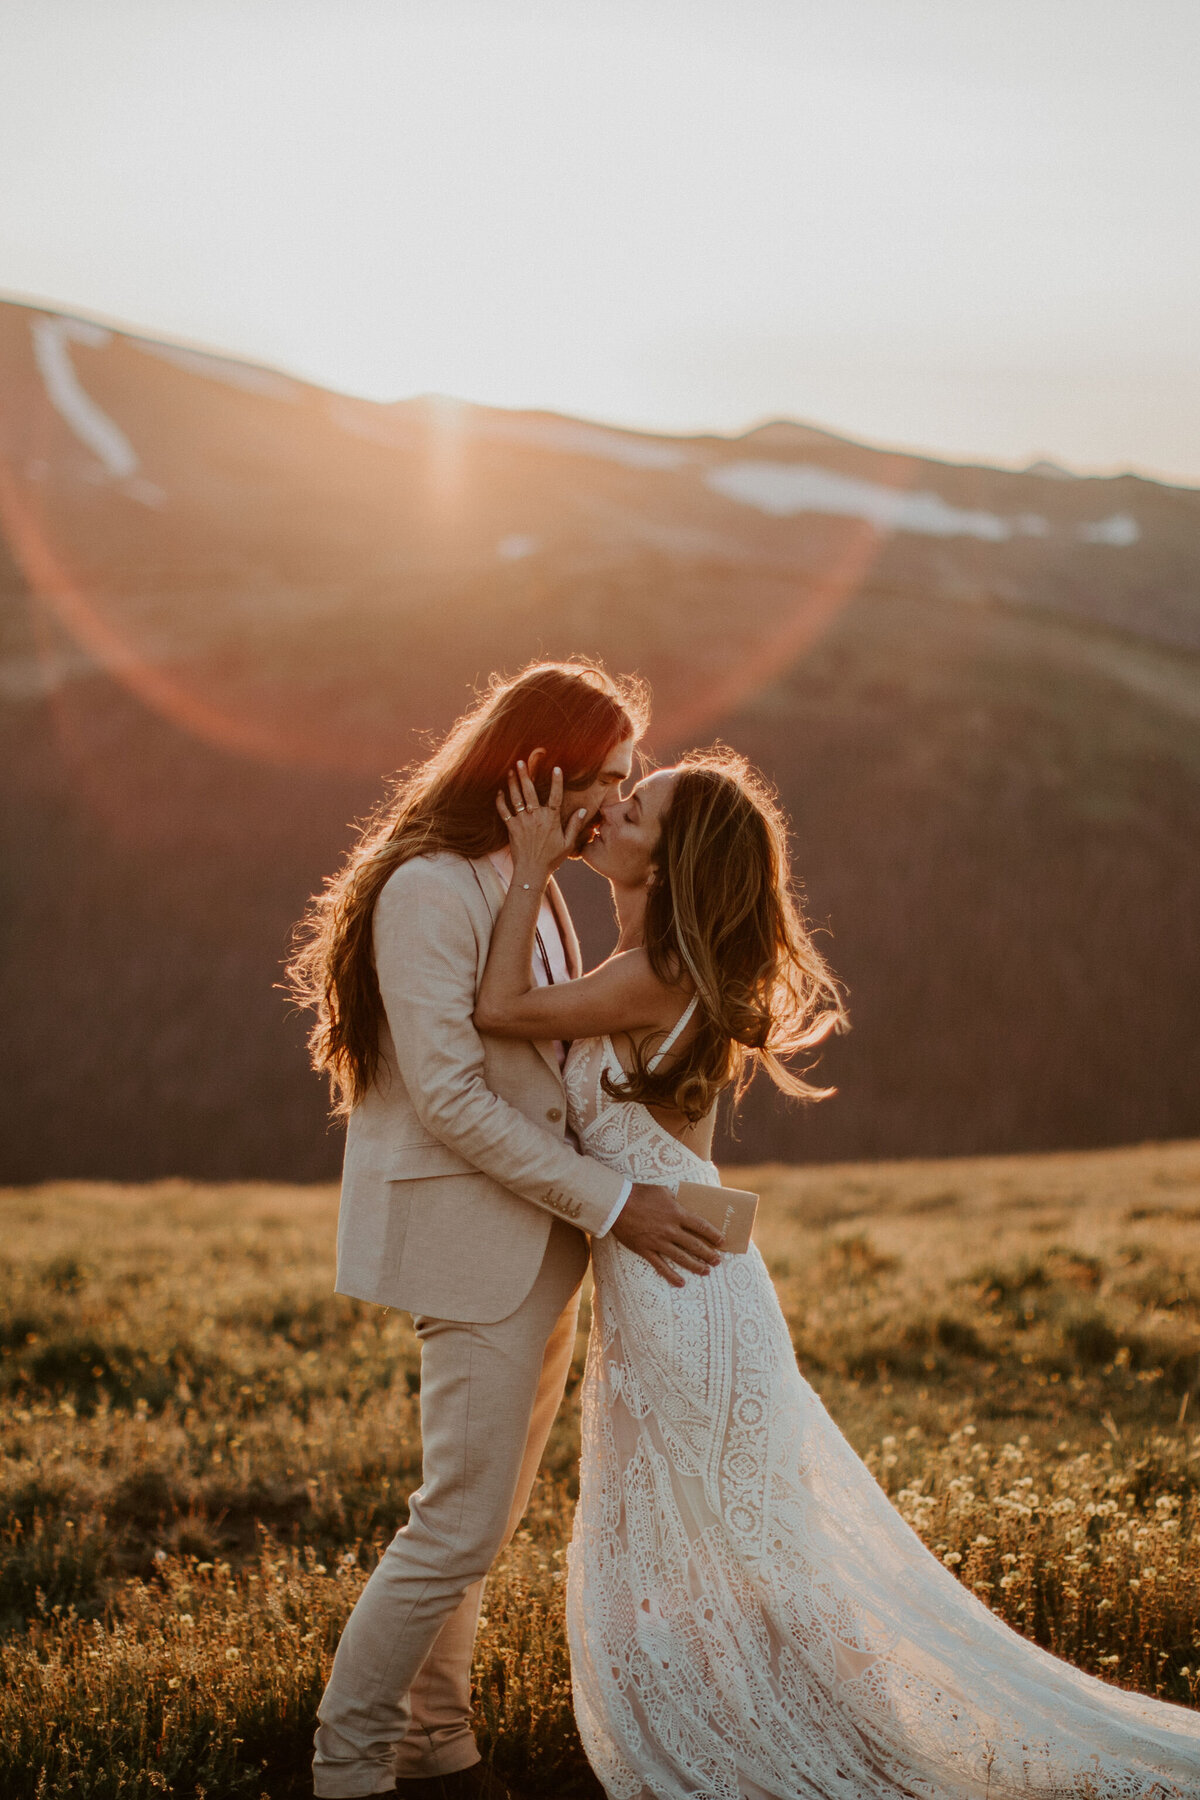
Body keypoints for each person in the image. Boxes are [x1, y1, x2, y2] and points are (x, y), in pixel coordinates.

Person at [474, 748, 1200, 1800]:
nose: (613, 814)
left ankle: (790, 1747)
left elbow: (496, 1008)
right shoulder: (655, 968)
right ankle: (791, 1727)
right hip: (689, 1286)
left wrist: (534, 864)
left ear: (673, 861)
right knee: (726, 1541)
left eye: (638, 810)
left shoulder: (652, 977)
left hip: (683, 1300)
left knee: (720, 1544)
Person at [287, 660, 724, 1800]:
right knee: (453, 1531)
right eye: (609, 778)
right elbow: (453, 1098)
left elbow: (540, 1064)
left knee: (479, 1531)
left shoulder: (521, 882)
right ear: (547, 768)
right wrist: (619, 1202)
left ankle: (440, 1747)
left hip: (539, 1249)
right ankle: (347, 1767)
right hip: (476, 1247)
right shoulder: (431, 888)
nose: (615, 805)